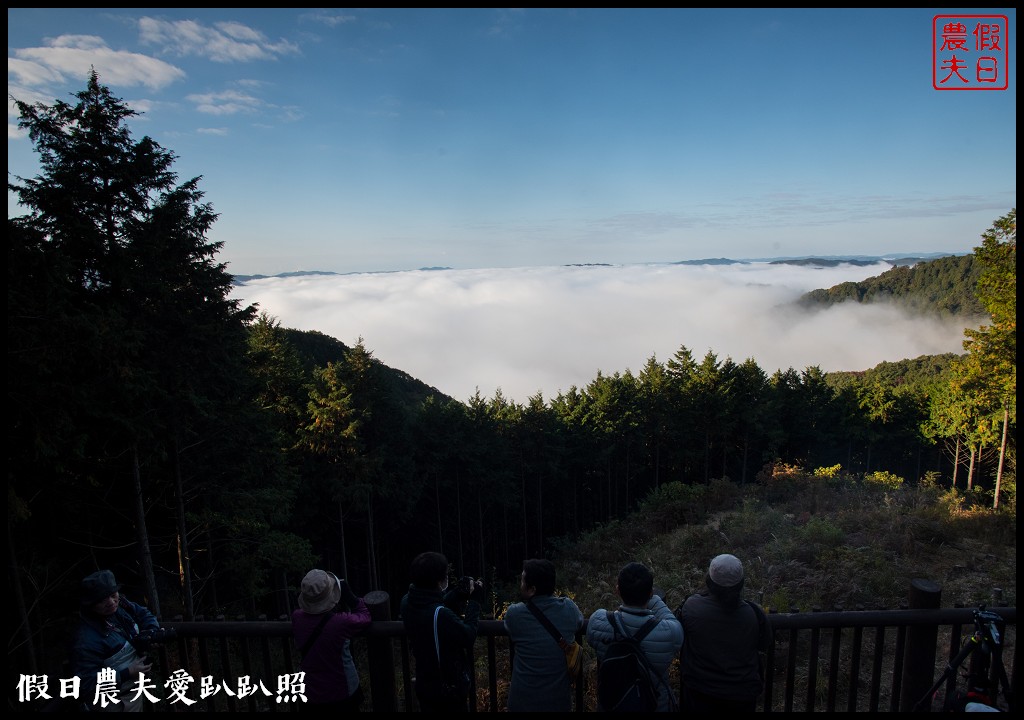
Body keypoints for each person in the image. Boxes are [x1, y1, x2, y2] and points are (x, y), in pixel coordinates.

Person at [678, 553, 771, 712]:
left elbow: (679, 638)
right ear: (741, 583)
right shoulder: (754, 613)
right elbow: (764, 644)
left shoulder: (691, 607)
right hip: (742, 695)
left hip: (699, 692)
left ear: (709, 581)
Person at [586, 561, 683, 711]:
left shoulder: (597, 621)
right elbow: (672, 621)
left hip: (614, 705)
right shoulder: (670, 632)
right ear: (651, 593)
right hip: (655, 705)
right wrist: (654, 599)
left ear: (617, 590)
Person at [399, 551, 483, 712]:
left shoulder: (407, 601)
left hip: (425, 683)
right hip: (448, 690)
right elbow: (468, 635)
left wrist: (457, 594)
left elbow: (430, 603)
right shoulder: (442, 616)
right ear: (439, 581)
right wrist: (474, 601)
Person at [69, 569, 161, 712]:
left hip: (133, 692)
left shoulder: (120, 607)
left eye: (113, 595)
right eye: (102, 600)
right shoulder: (85, 640)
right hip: (113, 703)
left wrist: (150, 632)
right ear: (90, 604)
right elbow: (85, 684)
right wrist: (126, 673)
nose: (111, 602)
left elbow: (143, 613)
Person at [502, 558, 585, 712]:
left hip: (522, 702)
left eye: (522, 581)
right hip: (558, 702)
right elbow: (579, 623)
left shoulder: (515, 614)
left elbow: (508, 627)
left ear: (532, 589)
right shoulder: (569, 609)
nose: (520, 585)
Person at [292, 568, 372, 710]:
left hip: (311, 691)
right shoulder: (341, 622)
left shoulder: (297, 618)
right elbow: (365, 616)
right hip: (342, 690)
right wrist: (351, 598)